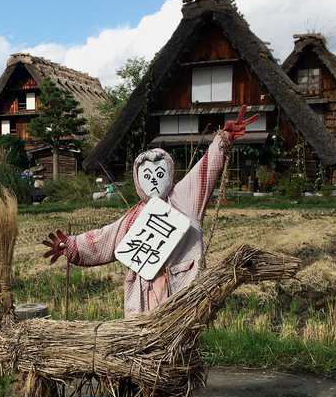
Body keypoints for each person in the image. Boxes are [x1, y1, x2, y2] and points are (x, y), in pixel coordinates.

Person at [42, 107, 258, 317]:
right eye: (147, 176)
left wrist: (223, 139)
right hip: (145, 295)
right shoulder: (133, 217)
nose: (154, 180)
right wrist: (71, 245)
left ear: (169, 173)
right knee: (147, 334)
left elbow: (205, 168)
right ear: (138, 181)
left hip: (181, 288)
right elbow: (105, 238)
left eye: (159, 174)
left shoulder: (184, 198)